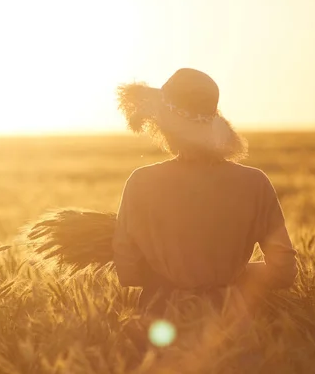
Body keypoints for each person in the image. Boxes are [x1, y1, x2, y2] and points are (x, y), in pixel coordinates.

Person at [113, 68, 298, 312]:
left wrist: (176, 276)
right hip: (231, 328)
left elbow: (128, 271)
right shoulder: (254, 183)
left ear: (164, 126)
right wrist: (231, 276)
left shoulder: (141, 182)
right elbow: (283, 272)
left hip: (157, 325)